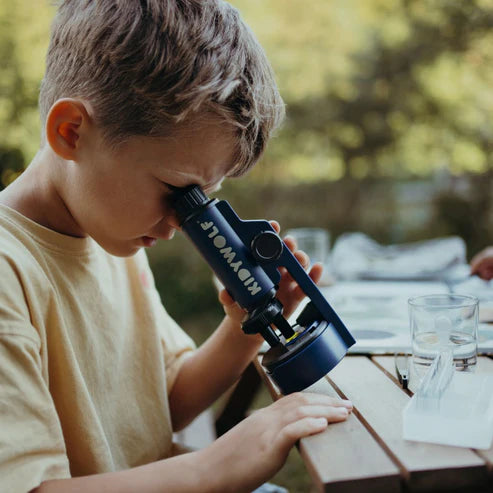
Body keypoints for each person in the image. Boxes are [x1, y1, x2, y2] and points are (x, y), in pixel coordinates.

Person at [0, 1, 353, 492]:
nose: (183, 223)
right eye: (176, 192)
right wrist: (213, 467)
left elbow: (162, 402)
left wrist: (244, 327)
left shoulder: (109, 232)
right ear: (72, 132)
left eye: (201, 201)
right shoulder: (9, 271)